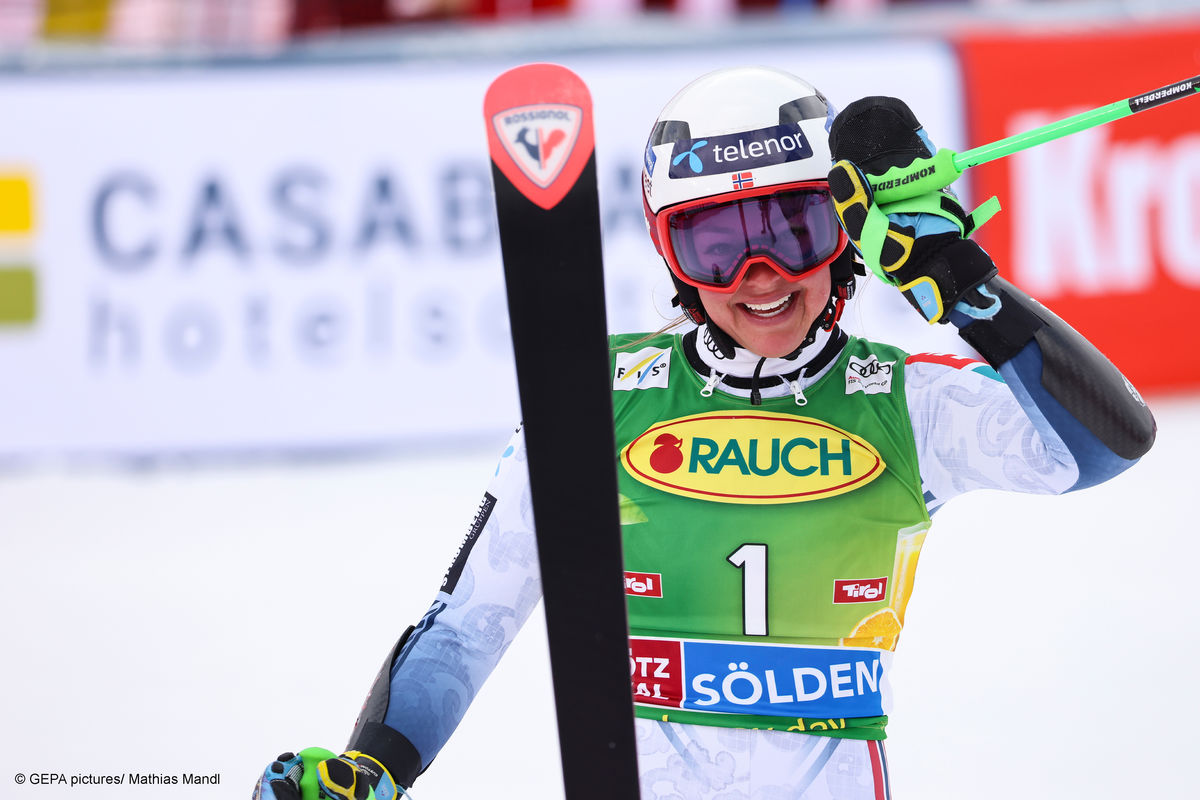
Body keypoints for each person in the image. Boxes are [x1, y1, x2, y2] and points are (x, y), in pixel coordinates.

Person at [254, 66, 1156, 800]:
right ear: (672, 258)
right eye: (716, 246)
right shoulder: (596, 398)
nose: (760, 275)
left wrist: (961, 280)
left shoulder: (907, 403)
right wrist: (375, 767)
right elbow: (467, 625)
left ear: (846, 233)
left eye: (794, 231)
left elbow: (1109, 444)